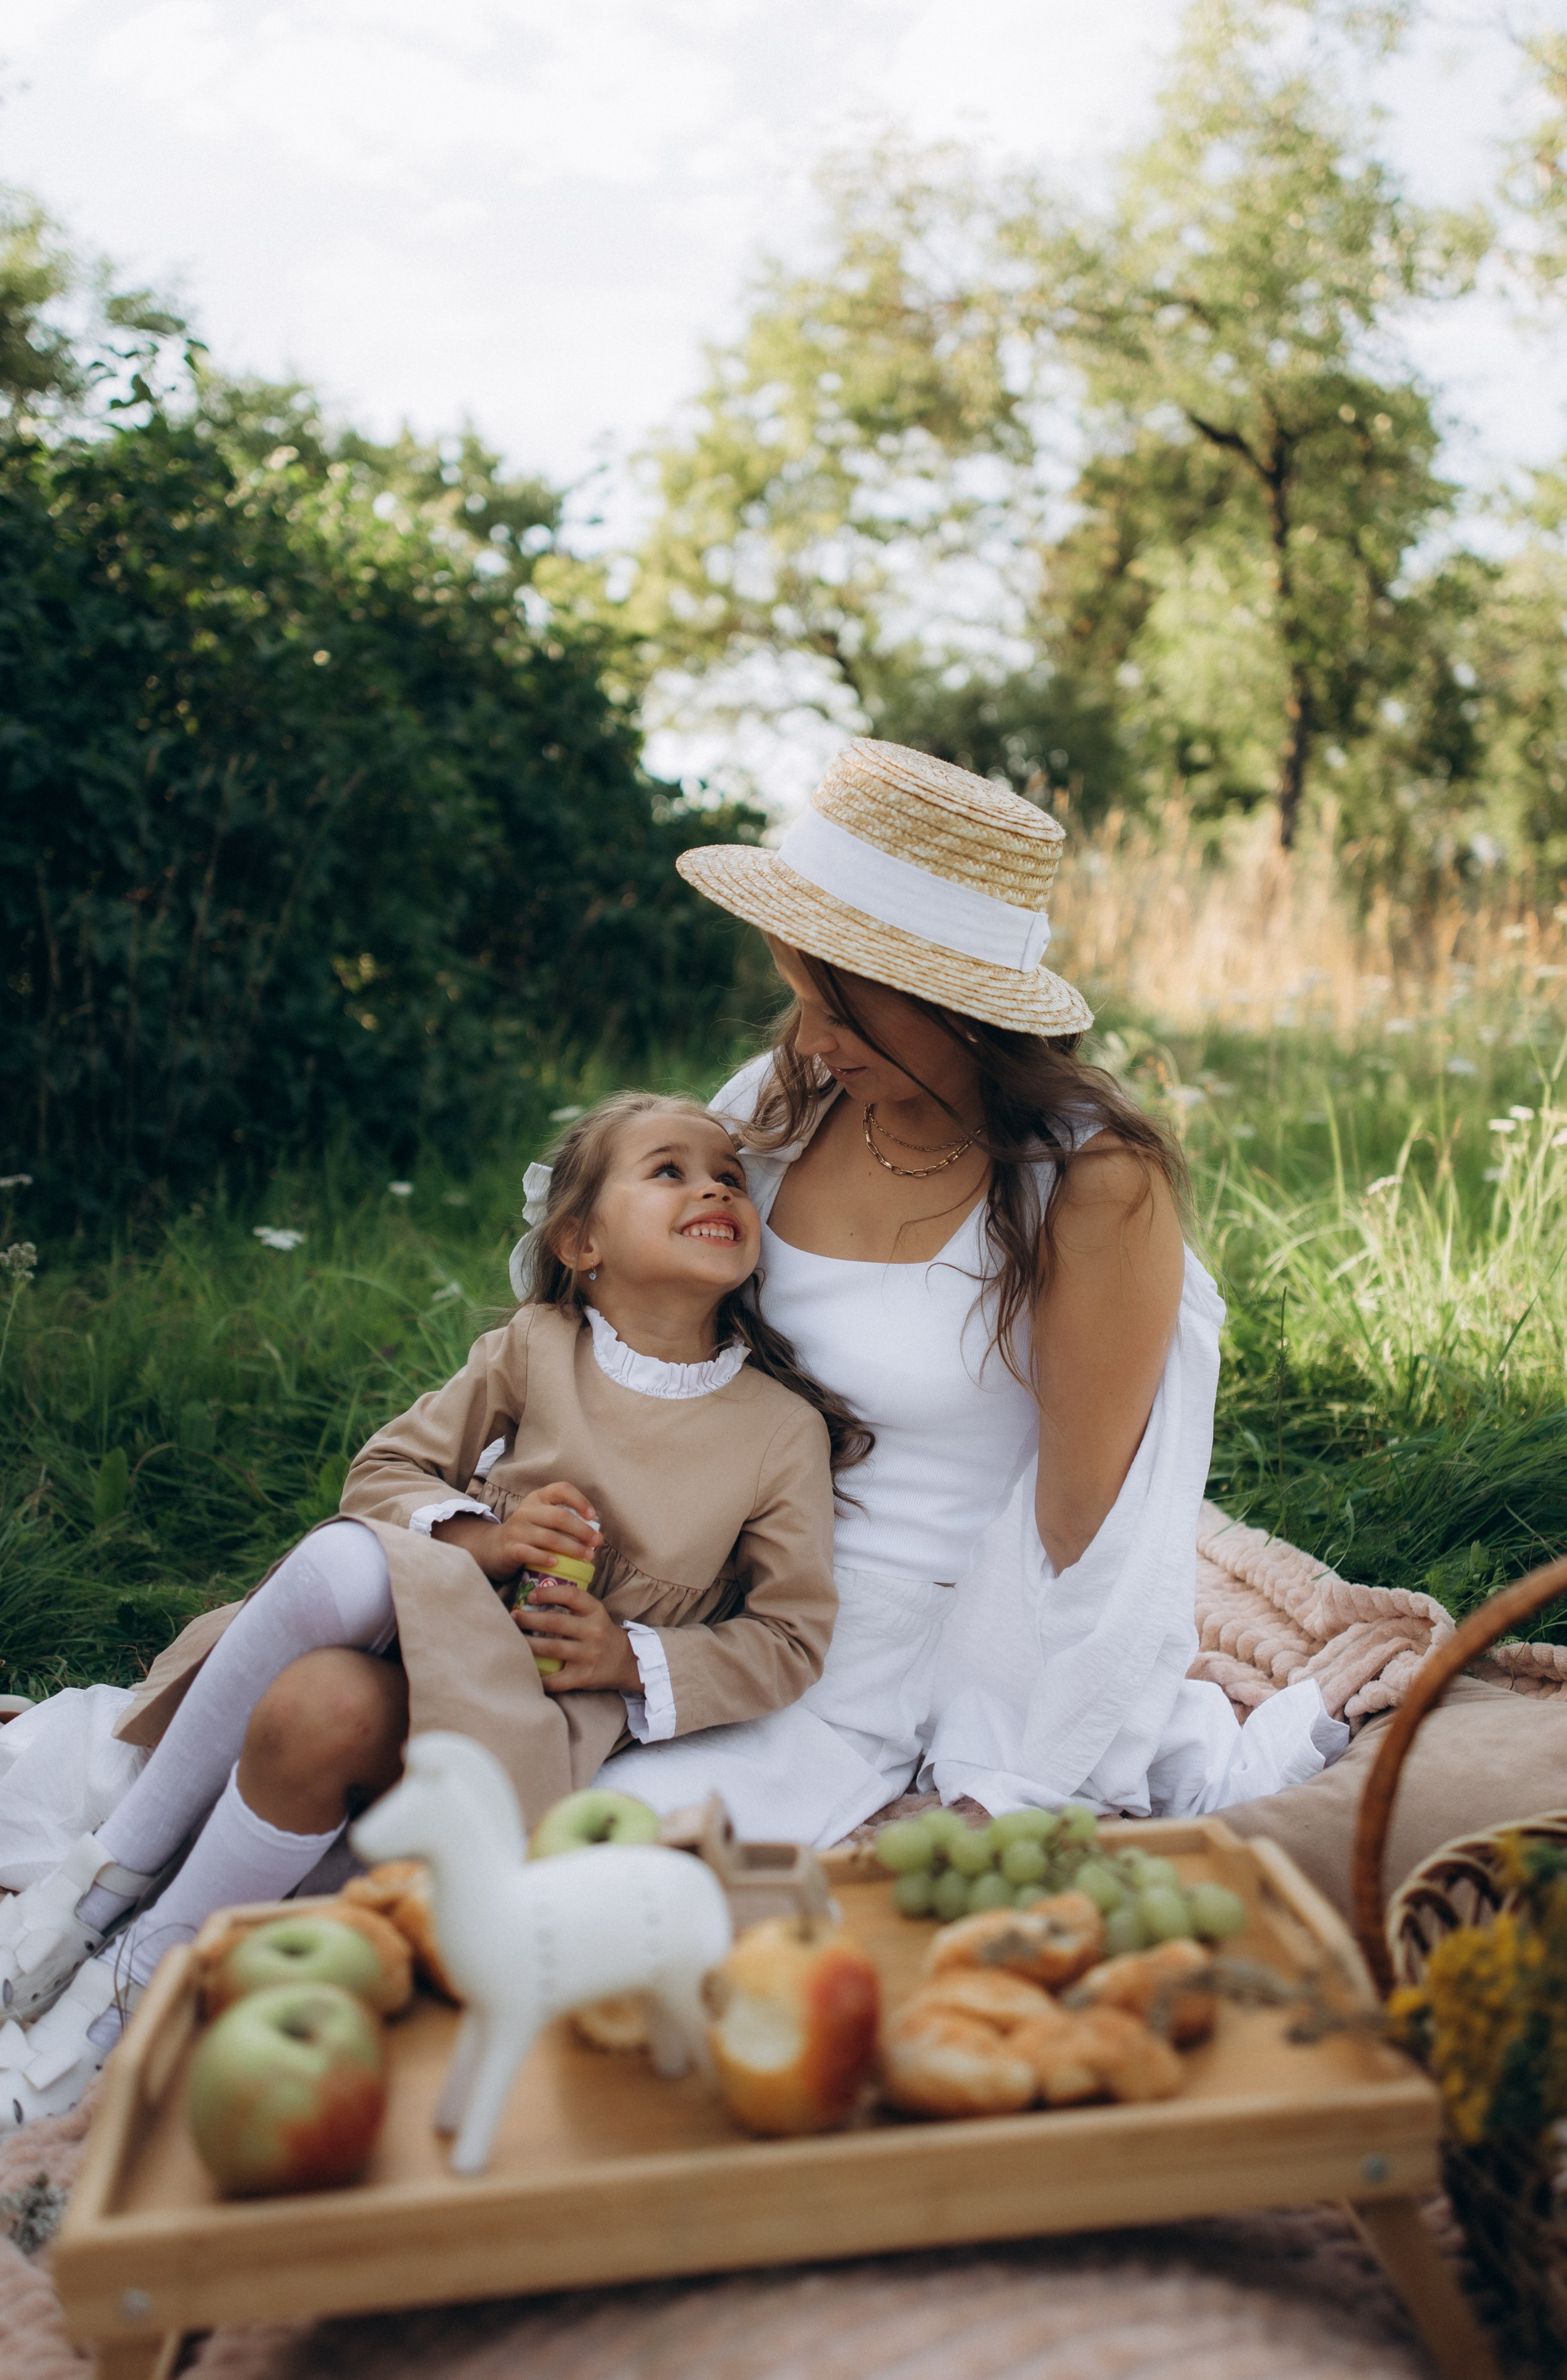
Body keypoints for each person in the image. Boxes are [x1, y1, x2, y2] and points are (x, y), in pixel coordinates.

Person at [0, 1094, 854, 2123]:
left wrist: (627, 1658)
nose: (714, 1186)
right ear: (580, 1241)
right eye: (668, 1171)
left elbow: (792, 1638)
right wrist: (491, 1538)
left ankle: (143, 1969)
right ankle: (103, 1888)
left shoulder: (776, 1432)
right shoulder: (537, 1345)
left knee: (330, 1658)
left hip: (521, 1700)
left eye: (728, 1174)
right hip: (420, 1612)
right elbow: (387, 1468)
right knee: (336, 1587)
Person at [593, 737, 1350, 1846]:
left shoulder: (1088, 1186)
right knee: (429, 1750)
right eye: (797, 993)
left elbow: (1087, 1528)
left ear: (952, 1001)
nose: (807, 1036)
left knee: (610, 1849)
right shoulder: (782, 1100)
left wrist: (1023, 1755)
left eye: (840, 1007)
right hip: (699, 1561)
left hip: (877, 1638)